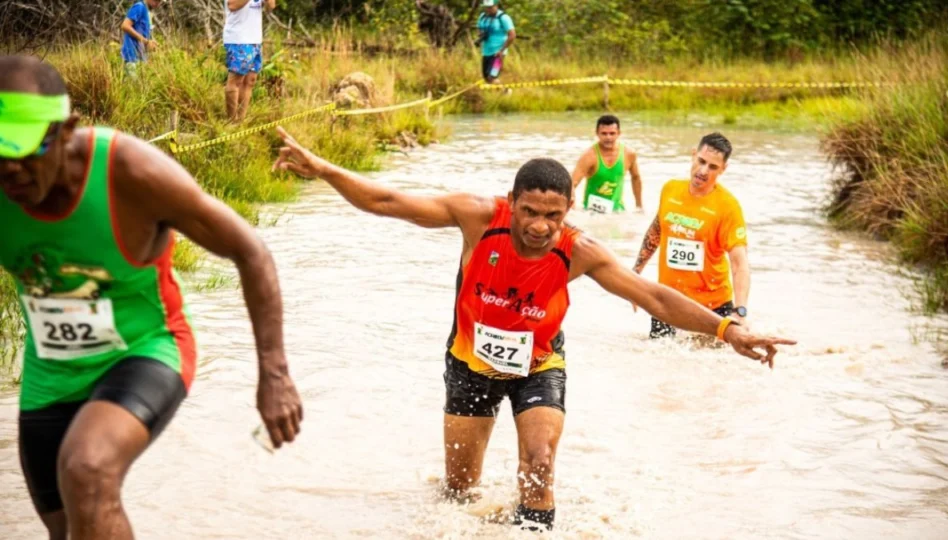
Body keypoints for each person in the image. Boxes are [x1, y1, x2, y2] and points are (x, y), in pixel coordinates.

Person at [271, 126, 795, 532]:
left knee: (540, 464)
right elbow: (388, 203)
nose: (541, 226)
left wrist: (728, 329)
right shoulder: (478, 217)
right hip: (470, 365)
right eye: (529, 212)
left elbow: (653, 296)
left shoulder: (580, 249)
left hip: (539, 366)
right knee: (459, 491)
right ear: (511, 201)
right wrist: (322, 169)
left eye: (553, 215)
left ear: (569, 209)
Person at [0, 55, 303, 540]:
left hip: (146, 350)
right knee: (68, 526)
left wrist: (275, 373)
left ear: (68, 130)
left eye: (25, 149)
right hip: (50, 374)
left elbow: (251, 251)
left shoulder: (130, 172)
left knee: (87, 470)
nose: (11, 170)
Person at [632, 132, 750, 339]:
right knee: (656, 356)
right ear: (693, 155)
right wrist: (635, 274)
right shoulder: (670, 189)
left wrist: (740, 312)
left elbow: (739, 263)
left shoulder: (728, 207)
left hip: (712, 308)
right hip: (667, 303)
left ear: (723, 169)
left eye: (712, 167)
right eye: (701, 161)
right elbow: (656, 231)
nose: (703, 171)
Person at [571, 114, 643, 214]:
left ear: (619, 133)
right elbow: (572, 184)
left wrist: (639, 206)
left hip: (617, 211)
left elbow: (636, 178)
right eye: (604, 133)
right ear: (597, 133)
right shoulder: (589, 156)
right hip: (591, 213)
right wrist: (572, 208)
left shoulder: (629, 154)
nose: (608, 137)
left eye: (612, 133)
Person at [223, 0, 274, 122]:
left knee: (250, 81)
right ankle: (231, 123)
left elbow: (270, 7)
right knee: (235, 81)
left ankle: (240, 122)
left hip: (255, 40)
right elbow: (232, 5)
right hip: (238, 39)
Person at [476, 0, 515, 84]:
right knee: (486, 78)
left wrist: (502, 50)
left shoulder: (503, 17)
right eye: (486, 7)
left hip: (499, 53)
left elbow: (512, 35)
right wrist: (481, 35)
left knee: (492, 76)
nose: (488, 9)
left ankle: (506, 90)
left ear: (496, 6)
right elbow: (478, 27)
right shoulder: (483, 16)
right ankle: (503, 91)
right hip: (486, 52)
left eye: (490, 7)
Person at [120, 0, 160, 79]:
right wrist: (146, 42)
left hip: (140, 58)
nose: (157, 4)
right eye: (156, 0)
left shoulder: (147, 11)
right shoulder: (139, 7)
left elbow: (143, 34)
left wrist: (151, 43)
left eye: (159, 1)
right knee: (133, 84)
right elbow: (125, 26)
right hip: (131, 57)